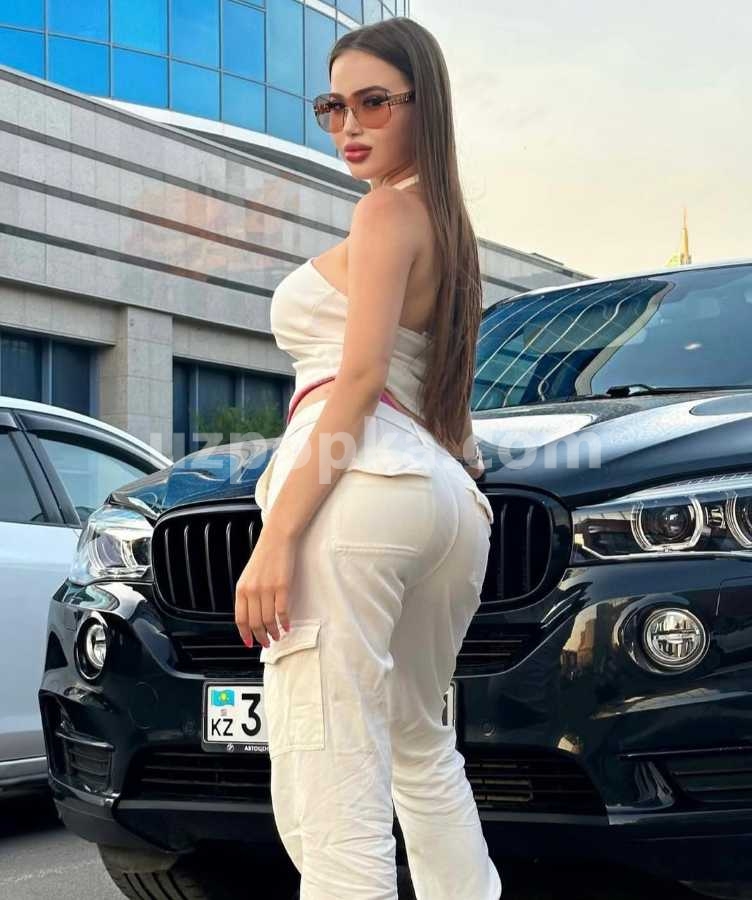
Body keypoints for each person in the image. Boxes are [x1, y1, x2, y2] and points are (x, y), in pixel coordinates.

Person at [234, 15, 502, 900]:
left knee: (329, 758)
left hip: (363, 483)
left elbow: (357, 381)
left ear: (425, 106)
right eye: (334, 106)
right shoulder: (449, 227)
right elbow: (443, 408)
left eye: (374, 103)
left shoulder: (385, 209)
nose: (349, 126)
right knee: (422, 748)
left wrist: (278, 536)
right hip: (444, 499)